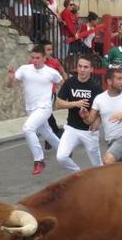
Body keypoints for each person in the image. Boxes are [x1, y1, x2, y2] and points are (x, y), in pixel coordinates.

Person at [7, 45, 63, 175]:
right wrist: (10, 79)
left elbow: (60, 82)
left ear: (44, 58)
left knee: (28, 128)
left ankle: (39, 160)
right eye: (32, 57)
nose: (34, 60)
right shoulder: (24, 69)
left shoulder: (51, 72)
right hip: (30, 108)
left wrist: (52, 95)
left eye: (37, 58)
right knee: (46, 132)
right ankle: (63, 150)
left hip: (44, 107)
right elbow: (10, 85)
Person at [83, 68, 122, 164]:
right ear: (109, 81)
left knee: (108, 160)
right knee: (120, 169)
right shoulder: (99, 99)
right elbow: (90, 121)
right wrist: (85, 116)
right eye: (119, 79)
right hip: (110, 140)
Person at [55, 55, 103, 172]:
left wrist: (98, 120)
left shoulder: (96, 87)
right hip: (72, 128)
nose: (82, 70)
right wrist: (75, 103)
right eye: (80, 66)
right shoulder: (70, 83)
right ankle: (78, 174)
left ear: (91, 69)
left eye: (86, 67)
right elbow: (58, 103)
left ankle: (104, 184)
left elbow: (103, 108)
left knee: (98, 166)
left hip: (89, 131)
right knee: (61, 157)